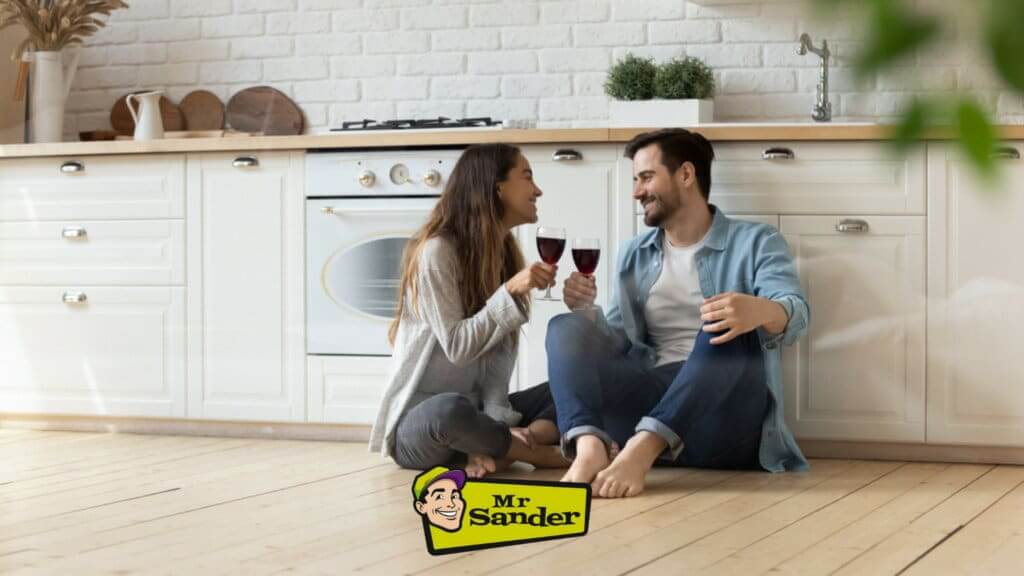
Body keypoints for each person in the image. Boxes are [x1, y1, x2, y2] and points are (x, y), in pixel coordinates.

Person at [546, 128, 810, 498]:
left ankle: (645, 447)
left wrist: (759, 310)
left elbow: (796, 315)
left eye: (646, 177)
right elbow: (620, 339)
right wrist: (586, 315)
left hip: (723, 421)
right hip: (647, 400)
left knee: (726, 327)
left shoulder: (757, 241)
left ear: (686, 175)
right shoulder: (633, 253)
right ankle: (589, 446)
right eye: (635, 180)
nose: (637, 191)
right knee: (564, 326)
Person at [369, 143, 566, 478]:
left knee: (570, 383)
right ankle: (545, 455)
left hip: (477, 415)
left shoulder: (503, 255)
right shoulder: (437, 253)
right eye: (528, 177)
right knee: (450, 410)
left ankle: (504, 445)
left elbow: (497, 362)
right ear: (497, 187)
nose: (538, 190)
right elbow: (458, 349)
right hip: (423, 425)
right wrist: (510, 292)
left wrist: (494, 422)